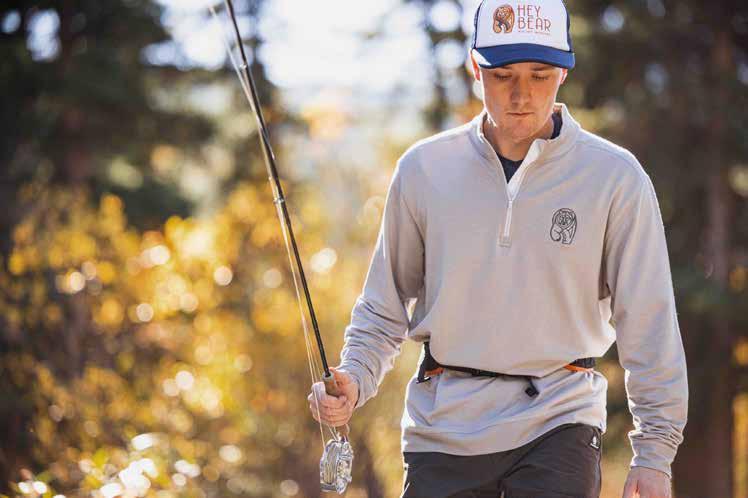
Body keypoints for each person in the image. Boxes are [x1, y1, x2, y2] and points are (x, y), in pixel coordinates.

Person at [307, 0, 688, 496]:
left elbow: (649, 320)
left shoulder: (615, 179)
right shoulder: (424, 170)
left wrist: (655, 453)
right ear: (475, 69)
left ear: (564, 73)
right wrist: (354, 377)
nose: (522, 95)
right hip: (443, 428)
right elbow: (384, 306)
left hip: (561, 419)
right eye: (503, 75)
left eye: (540, 75)